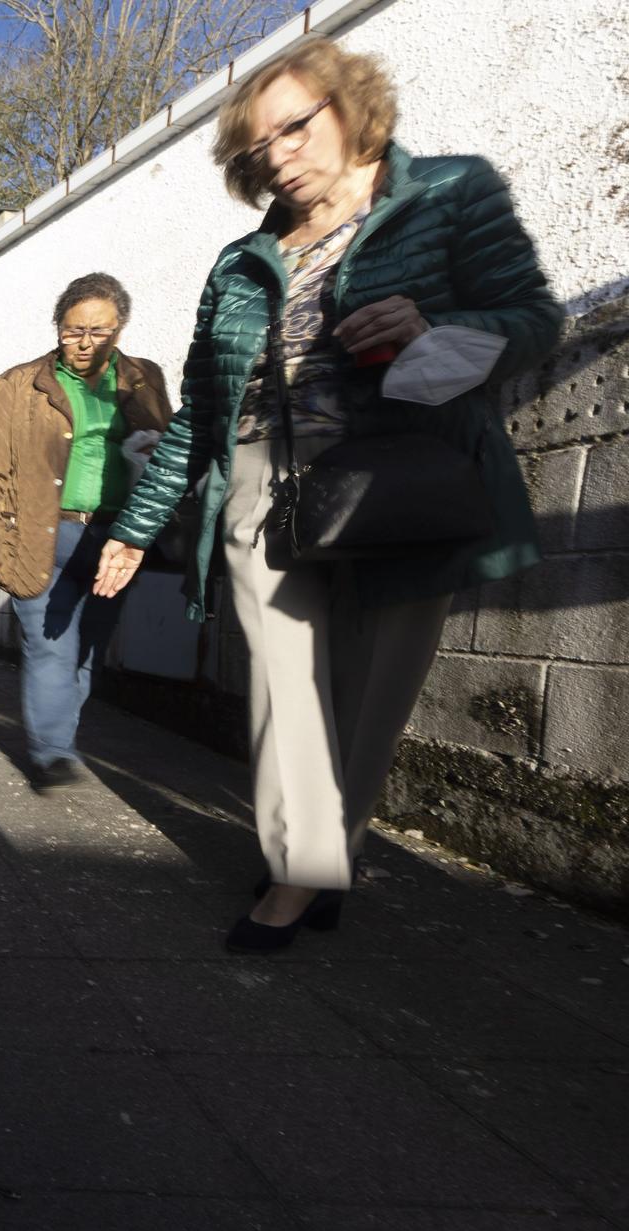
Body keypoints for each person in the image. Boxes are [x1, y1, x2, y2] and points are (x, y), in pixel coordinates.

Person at [92, 36, 559, 953]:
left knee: (372, 697)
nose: (278, 154)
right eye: (256, 147)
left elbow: (533, 320)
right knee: (285, 695)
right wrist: (137, 527)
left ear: (352, 107)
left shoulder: (451, 194)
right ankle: (301, 877)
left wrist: (437, 328)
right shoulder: (239, 262)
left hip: (400, 474)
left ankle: (320, 862)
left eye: (294, 127)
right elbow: (199, 410)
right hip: (262, 481)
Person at [0, 272, 173, 789]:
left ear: (119, 331)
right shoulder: (19, 384)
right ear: (58, 327)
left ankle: (59, 740)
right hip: (41, 535)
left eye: (97, 332)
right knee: (49, 645)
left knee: (86, 649)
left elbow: (170, 457)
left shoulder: (145, 379)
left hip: (116, 541)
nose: (83, 342)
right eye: (72, 329)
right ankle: (52, 752)